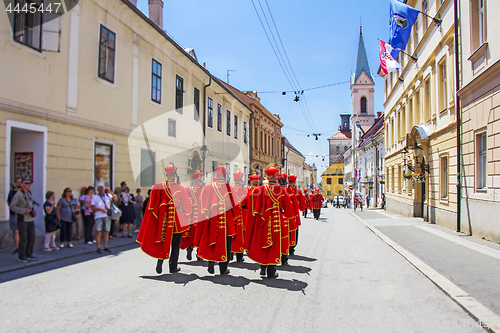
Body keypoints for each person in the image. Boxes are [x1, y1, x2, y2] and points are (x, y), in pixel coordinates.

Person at [137, 164, 192, 274]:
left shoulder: (158, 187)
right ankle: (173, 267)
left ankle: (160, 261)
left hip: (163, 221)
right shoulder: (180, 188)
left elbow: (152, 205)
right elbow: (188, 206)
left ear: (166, 175)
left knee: (163, 242)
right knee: (175, 245)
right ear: (175, 175)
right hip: (177, 221)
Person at [244, 164, 293, 278]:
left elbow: (251, 207)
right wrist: (285, 215)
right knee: (274, 244)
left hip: (262, 221)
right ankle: (271, 270)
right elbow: (289, 210)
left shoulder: (258, 190)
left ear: (266, 177)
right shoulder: (281, 190)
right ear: (277, 178)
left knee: (262, 243)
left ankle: (262, 267)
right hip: (276, 221)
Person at [194, 164, 237, 275]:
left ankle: (211, 263)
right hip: (226, 220)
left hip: (211, 219)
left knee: (211, 241)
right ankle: (223, 268)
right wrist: (235, 217)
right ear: (225, 175)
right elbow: (235, 207)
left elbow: (202, 204)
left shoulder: (208, 187)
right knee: (226, 243)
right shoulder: (229, 188)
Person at [10, 177, 38, 262]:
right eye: (26, 183)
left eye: (30, 183)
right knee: (23, 238)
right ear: (21, 184)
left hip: (30, 218)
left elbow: (30, 204)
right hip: (22, 219)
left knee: (31, 237)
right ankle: (21, 256)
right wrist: (23, 211)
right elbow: (12, 206)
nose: (28, 185)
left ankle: (29, 254)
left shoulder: (29, 193)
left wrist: (33, 210)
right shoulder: (18, 194)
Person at [180, 171, 203, 261]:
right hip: (200, 216)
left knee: (190, 234)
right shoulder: (203, 189)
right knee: (199, 235)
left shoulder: (188, 189)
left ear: (193, 181)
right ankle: (198, 254)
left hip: (190, 216)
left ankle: (189, 248)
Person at [91, 184, 117, 254]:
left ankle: (105, 247)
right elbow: (92, 207)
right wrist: (100, 209)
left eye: (102, 187)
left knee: (106, 232)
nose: (101, 189)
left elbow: (115, 199)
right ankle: (98, 247)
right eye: (100, 188)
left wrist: (111, 192)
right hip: (99, 216)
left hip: (107, 216)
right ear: (97, 189)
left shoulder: (107, 196)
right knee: (98, 232)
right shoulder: (95, 197)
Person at [7, 177, 22, 254]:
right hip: (14, 214)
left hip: (22, 214)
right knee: (16, 231)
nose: (19, 183)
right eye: (18, 182)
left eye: (20, 182)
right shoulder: (12, 192)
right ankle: (18, 247)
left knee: (22, 231)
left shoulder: (24, 192)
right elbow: (9, 202)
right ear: (16, 183)